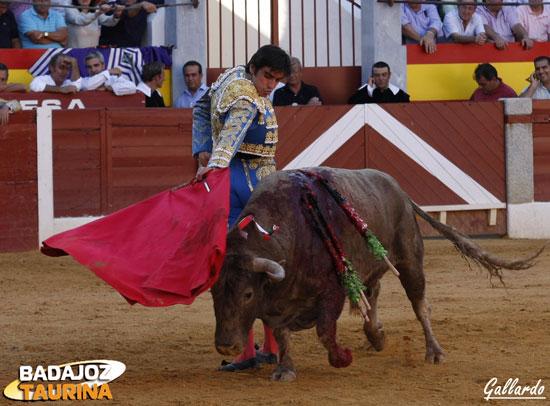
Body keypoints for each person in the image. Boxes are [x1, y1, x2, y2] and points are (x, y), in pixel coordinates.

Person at [192, 44, 291, 372]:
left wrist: (202, 149)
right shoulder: (247, 98)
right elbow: (233, 136)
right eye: (267, 76)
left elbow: (200, 106)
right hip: (252, 187)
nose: (270, 85)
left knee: (235, 270)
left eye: (277, 80)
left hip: (230, 185)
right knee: (262, 269)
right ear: (253, 67)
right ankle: (268, 348)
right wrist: (214, 161)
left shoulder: (228, 78)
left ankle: (251, 351)